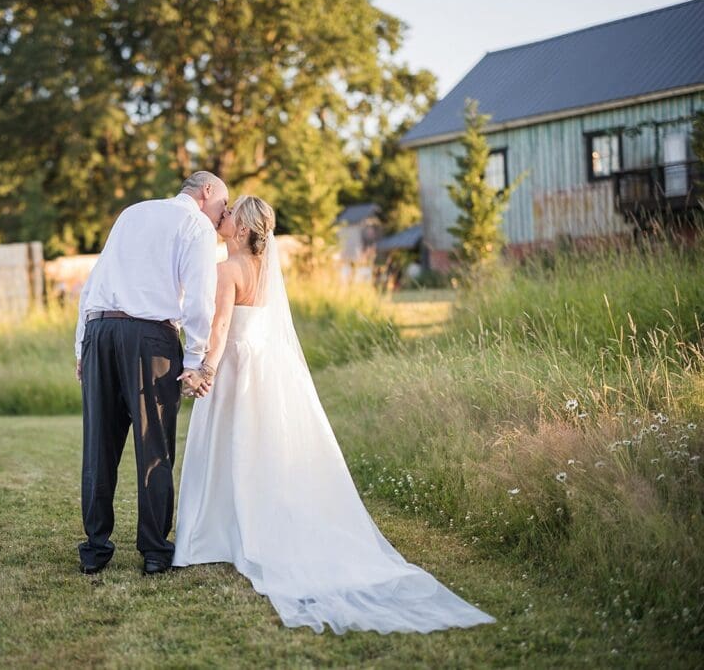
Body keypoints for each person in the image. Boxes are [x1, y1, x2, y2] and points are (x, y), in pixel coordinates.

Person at [171, 195, 497, 634]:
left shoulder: (226, 270)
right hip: (264, 365)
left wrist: (205, 367)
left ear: (244, 230)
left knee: (231, 446)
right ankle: (249, 521)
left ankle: (219, 532)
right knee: (260, 446)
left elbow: (222, 326)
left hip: (234, 367)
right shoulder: (264, 270)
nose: (222, 218)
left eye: (229, 216)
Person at [74, 171, 229, 576]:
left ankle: (95, 548)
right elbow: (199, 298)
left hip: (100, 329)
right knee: (153, 446)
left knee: (98, 445)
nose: (222, 217)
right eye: (222, 208)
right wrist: (195, 360)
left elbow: (93, 284)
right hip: (150, 337)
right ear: (206, 191)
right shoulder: (195, 225)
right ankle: (156, 551)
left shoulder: (132, 213)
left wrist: (81, 346)